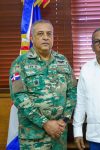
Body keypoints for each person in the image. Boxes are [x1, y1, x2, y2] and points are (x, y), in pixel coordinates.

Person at [9, 20, 77, 150]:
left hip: (59, 134)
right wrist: (44, 123)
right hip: (33, 138)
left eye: (49, 34)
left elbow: (72, 91)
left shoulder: (62, 61)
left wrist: (63, 120)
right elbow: (19, 97)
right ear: (32, 38)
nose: (45, 37)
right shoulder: (20, 63)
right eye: (40, 33)